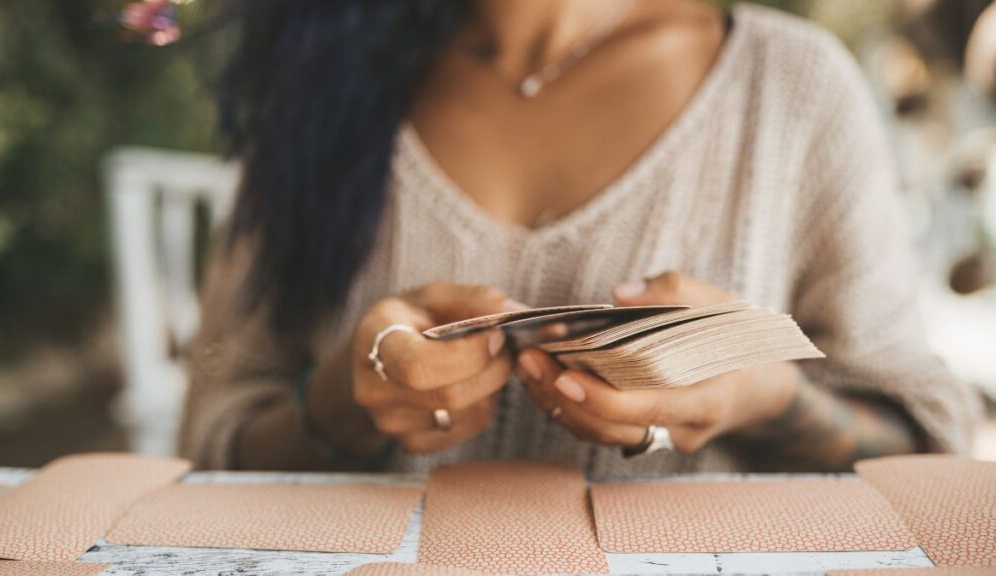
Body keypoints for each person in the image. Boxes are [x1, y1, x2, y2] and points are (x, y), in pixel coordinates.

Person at [180, 0, 979, 474]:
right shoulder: (320, 86)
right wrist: (342, 403)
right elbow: (212, 438)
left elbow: (928, 443)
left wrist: (760, 399)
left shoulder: (795, 89)